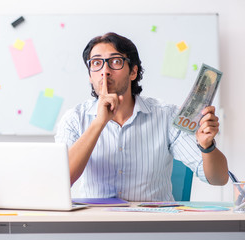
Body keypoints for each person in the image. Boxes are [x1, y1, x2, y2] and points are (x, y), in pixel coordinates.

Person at [54, 32, 228, 201]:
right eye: (96, 63)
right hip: (95, 225)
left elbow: (219, 179)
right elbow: (60, 182)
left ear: (133, 72)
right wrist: (99, 122)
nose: (105, 71)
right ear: (90, 76)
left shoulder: (166, 116)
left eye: (115, 61)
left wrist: (207, 147)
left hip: (152, 225)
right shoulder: (74, 119)